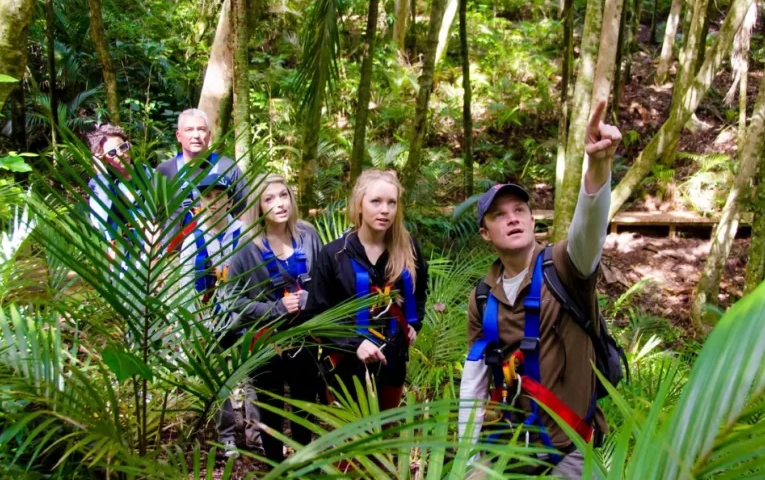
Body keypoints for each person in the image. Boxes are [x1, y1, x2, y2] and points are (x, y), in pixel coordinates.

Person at [458, 100, 622, 479]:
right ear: (485, 234)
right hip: (506, 442)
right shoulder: (483, 297)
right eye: (499, 214)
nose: (512, 218)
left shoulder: (566, 267)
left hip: (570, 444)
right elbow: (475, 379)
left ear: (533, 220)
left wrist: (598, 166)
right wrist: (467, 456)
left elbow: (589, 230)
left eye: (519, 210)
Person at [306, 169, 428, 414]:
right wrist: (353, 344)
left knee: (385, 434)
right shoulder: (334, 255)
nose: (385, 210)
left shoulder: (408, 248)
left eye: (391, 203)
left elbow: (420, 290)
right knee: (352, 441)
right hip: (345, 365)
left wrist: (414, 324)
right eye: (376, 202)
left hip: (392, 361)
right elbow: (316, 316)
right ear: (359, 205)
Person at [222, 174, 324, 463]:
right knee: (270, 408)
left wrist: (309, 299)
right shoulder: (247, 246)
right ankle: (275, 466)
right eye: (269, 199)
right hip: (265, 342)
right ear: (258, 206)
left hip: (305, 337)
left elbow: (323, 281)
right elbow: (233, 302)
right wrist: (276, 308)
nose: (279, 204)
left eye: (283, 195)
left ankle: (305, 462)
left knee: (305, 405)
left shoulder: (308, 235)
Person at [165, 173, 259, 458]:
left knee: (253, 376)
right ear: (198, 203)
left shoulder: (244, 234)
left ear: (229, 200)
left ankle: (257, 434)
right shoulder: (193, 241)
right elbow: (184, 287)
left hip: (245, 316)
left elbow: (258, 276)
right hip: (210, 320)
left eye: (219, 195)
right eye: (206, 196)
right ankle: (227, 435)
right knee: (218, 382)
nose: (213, 202)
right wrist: (188, 329)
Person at [155, 109, 247, 221]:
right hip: (174, 237)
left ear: (209, 135)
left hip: (219, 237)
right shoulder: (165, 171)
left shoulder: (227, 168)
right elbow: (153, 219)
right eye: (189, 130)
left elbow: (244, 213)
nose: (196, 135)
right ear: (179, 136)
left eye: (201, 129)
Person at [86, 124, 155, 267]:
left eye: (123, 147)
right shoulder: (98, 184)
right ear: (103, 158)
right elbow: (101, 220)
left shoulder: (148, 174)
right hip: (120, 252)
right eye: (112, 153)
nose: (121, 154)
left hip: (152, 247)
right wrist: (102, 175)